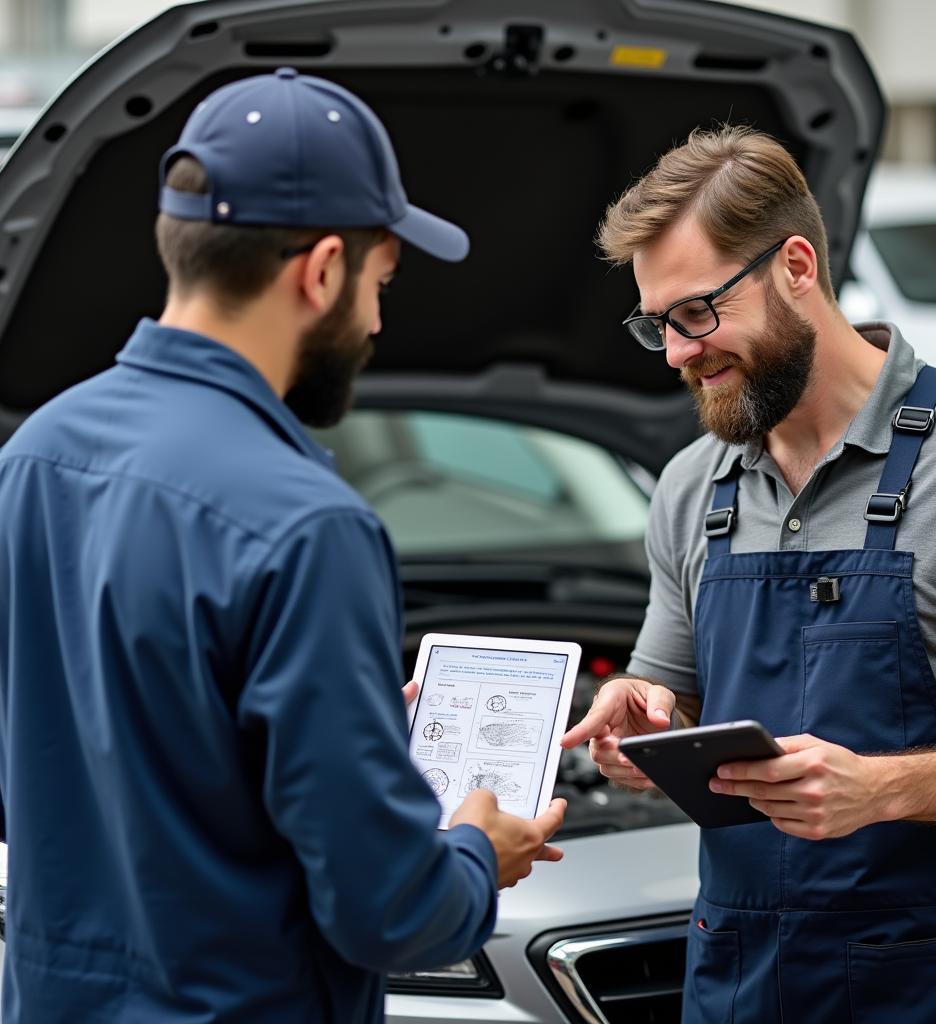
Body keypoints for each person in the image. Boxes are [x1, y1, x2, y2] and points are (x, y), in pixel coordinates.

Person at [0, 68, 566, 1023]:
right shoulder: (308, 525)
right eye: (381, 284)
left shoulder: (34, 456)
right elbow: (392, 911)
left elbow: (52, 765)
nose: (380, 321)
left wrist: (291, 723)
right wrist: (477, 850)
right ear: (322, 270)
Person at [562, 125, 936, 1020]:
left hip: (930, 987)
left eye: (697, 312)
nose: (677, 353)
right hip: (735, 981)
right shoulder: (693, 485)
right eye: (657, 323)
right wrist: (647, 722)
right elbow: (673, 697)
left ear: (798, 267)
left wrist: (884, 788)